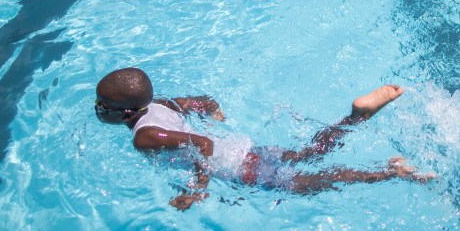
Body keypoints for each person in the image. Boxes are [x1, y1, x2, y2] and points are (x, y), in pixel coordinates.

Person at [94, 68, 433, 210]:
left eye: (102, 106)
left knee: (312, 181)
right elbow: (200, 102)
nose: (98, 109)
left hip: (238, 167)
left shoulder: (144, 137)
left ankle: (392, 172)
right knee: (308, 153)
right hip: (244, 148)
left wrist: (198, 188)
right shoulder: (159, 104)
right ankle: (355, 117)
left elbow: (203, 146)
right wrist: (214, 113)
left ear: (123, 113)